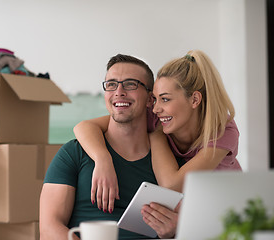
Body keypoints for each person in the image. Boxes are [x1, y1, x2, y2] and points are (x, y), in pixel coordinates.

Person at [73, 50, 242, 216]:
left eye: (166, 99)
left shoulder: (222, 129)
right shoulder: (157, 115)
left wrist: (157, 135)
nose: (156, 108)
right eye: (155, 99)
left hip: (227, 208)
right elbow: (84, 127)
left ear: (195, 100)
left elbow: (171, 186)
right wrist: (103, 160)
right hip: (188, 209)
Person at [40, 54, 182, 240]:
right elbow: (49, 228)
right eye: (111, 84)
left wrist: (174, 232)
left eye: (131, 84)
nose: (119, 91)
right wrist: (103, 158)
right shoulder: (73, 153)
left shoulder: (170, 164)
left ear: (150, 99)